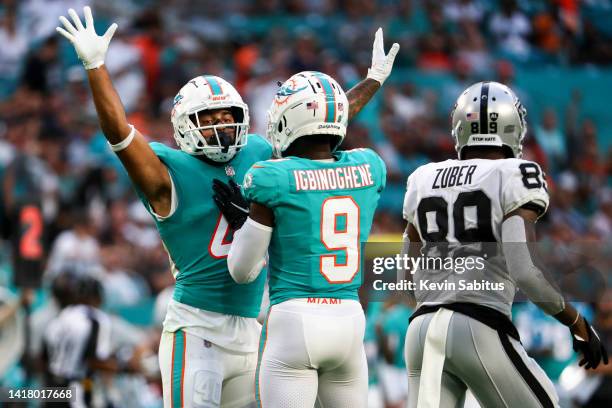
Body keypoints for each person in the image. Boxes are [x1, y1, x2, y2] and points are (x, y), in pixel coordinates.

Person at [56, 7, 399, 407]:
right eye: (209, 118)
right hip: (198, 327)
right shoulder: (167, 171)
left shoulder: (257, 152)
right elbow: (118, 132)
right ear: (185, 124)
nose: (221, 126)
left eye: (229, 116)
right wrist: (96, 66)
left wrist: (372, 82)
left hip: (253, 329)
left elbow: (315, 125)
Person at [401, 81, 608, 407]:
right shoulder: (515, 173)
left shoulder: (422, 178)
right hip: (479, 324)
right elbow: (524, 270)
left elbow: (404, 276)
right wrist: (578, 323)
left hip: (421, 330)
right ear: (513, 127)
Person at [212, 71, 388, 407]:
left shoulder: (272, 177)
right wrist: (374, 80)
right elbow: (326, 123)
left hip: (294, 320)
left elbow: (241, 269)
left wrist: (244, 224)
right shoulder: (369, 166)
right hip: (350, 320)